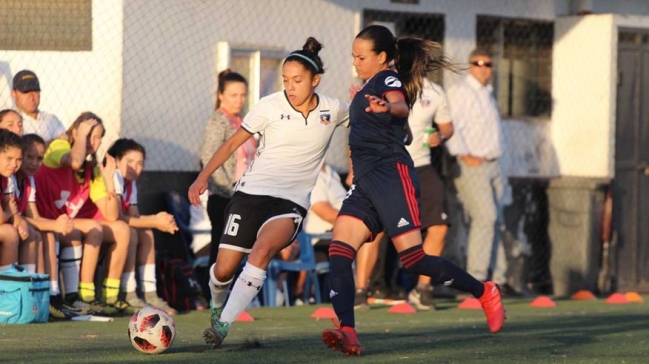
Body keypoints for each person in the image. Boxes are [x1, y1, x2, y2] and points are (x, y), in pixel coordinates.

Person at [321, 25, 506, 356]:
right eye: (353, 57)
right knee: (339, 253)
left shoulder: (387, 81)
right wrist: (375, 113)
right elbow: (404, 132)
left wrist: (387, 108)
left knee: (414, 259)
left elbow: (401, 108)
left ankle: (484, 291)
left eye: (361, 57)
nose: (355, 63)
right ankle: (348, 331)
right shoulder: (367, 87)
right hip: (365, 184)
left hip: (393, 179)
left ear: (382, 58)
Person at [188, 37, 349, 348]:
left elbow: (369, 120)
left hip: (289, 204)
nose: (290, 86)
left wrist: (388, 113)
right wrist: (201, 178)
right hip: (249, 196)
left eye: (298, 80)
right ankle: (218, 303)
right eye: (286, 80)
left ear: (315, 80)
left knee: (262, 251)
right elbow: (232, 144)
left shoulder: (333, 109)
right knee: (222, 271)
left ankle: (223, 325)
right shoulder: (268, 106)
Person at [34, 112, 131, 316]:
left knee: (121, 229)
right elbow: (74, 162)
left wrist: (108, 179)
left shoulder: (90, 168)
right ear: (76, 132)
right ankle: (70, 296)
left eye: (97, 138)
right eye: (88, 135)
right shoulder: (58, 147)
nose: (92, 142)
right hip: (44, 221)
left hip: (67, 224)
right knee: (93, 228)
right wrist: (80, 135)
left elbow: (112, 215)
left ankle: (98, 296)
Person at [445, 49, 518, 296]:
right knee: (485, 218)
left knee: (496, 221)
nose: (484, 68)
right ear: (470, 66)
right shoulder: (461, 92)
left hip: (494, 164)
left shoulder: (487, 94)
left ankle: (498, 278)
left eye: (488, 64)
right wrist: (463, 155)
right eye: (478, 63)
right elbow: (450, 126)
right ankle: (475, 280)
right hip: (471, 164)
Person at [105, 138, 179, 315]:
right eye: (129, 162)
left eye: (139, 163)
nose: (134, 168)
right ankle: (128, 292)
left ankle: (150, 293)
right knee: (131, 232)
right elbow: (117, 217)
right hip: (102, 225)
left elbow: (134, 217)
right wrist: (155, 221)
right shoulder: (113, 176)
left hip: (118, 226)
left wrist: (159, 220)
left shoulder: (130, 184)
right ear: (116, 160)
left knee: (145, 232)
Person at [403, 77, 454, 310]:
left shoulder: (434, 91)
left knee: (439, 226)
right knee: (377, 229)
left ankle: (422, 288)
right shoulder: (385, 83)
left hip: (422, 166)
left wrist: (440, 137)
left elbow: (446, 127)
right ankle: (361, 289)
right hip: (389, 167)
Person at [15, 134, 77, 319]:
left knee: (49, 234)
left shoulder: (29, 180)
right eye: (29, 157)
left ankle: (50, 295)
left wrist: (56, 225)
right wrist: (55, 224)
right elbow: (18, 217)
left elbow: (32, 216)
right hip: (12, 227)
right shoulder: (10, 178)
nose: (34, 163)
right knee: (36, 233)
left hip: (22, 225)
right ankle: (28, 293)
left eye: (39, 158)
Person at [199, 69, 255, 268]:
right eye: (234, 95)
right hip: (224, 198)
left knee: (238, 251)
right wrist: (229, 192)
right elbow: (209, 159)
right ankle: (214, 297)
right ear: (221, 95)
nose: (239, 100)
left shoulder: (241, 121)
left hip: (243, 195)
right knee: (222, 251)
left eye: (243, 95)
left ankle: (233, 294)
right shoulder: (218, 121)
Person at [11, 70, 66, 142]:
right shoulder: (10, 122)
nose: (31, 97)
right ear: (14, 94)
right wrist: (54, 141)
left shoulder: (52, 120)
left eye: (35, 90)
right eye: (25, 92)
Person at [0, 130, 21, 273]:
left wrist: (18, 219)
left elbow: (10, 203)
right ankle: (8, 290)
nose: (14, 164)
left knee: (29, 233)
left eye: (18, 159)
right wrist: (8, 212)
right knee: (9, 233)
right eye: (9, 158)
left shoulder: (6, 177)